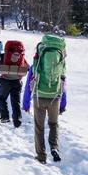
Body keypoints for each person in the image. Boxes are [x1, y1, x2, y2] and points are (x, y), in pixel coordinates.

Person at [24, 34, 66, 163]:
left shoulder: (37, 60)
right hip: (55, 97)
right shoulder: (61, 61)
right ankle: (54, 147)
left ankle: (41, 156)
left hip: (39, 96)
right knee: (53, 124)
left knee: (39, 127)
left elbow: (28, 85)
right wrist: (63, 104)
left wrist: (26, 104)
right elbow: (63, 83)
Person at [0, 40, 29, 127]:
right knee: (16, 101)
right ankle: (17, 120)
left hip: (5, 80)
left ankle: (5, 117)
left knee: (2, 98)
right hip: (17, 81)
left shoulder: (4, 56)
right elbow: (27, 67)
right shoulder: (21, 57)